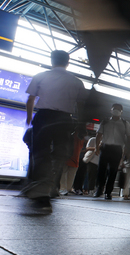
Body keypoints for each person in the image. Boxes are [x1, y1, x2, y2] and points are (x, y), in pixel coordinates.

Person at [22, 50, 85, 213]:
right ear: (68, 62)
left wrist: (29, 117)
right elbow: (81, 105)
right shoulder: (76, 81)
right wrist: (81, 125)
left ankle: (39, 192)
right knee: (60, 155)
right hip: (65, 119)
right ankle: (53, 188)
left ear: (52, 60)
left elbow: (30, 99)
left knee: (40, 153)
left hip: (43, 117)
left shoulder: (41, 75)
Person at [94, 104, 130, 200]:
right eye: (115, 109)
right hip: (105, 147)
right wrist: (96, 147)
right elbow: (99, 134)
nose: (116, 110)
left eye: (118, 109)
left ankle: (108, 192)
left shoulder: (125, 123)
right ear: (111, 110)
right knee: (101, 170)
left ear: (121, 111)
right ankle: (99, 189)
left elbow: (129, 137)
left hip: (117, 149)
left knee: (113, 171)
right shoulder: (105, 121)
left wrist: (127, 150)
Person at [59, 125, 87, 196]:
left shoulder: (72, 135)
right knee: (71, 176)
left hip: (69, 158)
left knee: (64, 175)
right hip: (75, 159)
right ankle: (67, 189)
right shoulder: (81, 138)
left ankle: (63, 189)